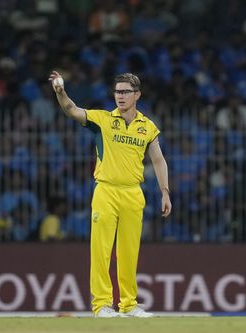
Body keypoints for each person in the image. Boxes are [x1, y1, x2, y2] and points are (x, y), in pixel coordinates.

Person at [49, 71, 172, 318]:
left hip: (133, 194)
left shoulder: (148, 127)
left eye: (126, 92)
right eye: (117, 92)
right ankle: (102, 305)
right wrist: (61, 93)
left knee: (129, 252)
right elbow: (72, 110)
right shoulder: (103, 120)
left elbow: (158, 160)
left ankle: (129, 304)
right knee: (101, 250)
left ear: (137, 95)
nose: (120, 96)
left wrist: (165, 192)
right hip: (105, 190)